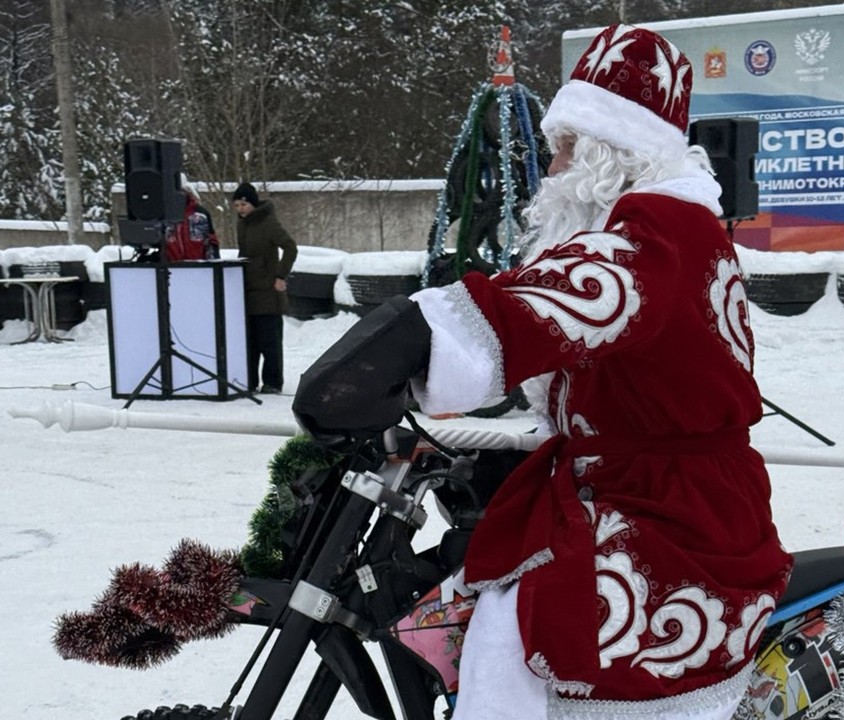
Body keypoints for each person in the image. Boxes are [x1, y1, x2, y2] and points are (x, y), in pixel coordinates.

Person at [293, 24, 792, 720]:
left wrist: (405, 343)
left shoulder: (656, 235)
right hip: (653, 487)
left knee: (518, 627)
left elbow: (555, 300)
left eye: (565, 148)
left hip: (672, 514)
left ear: (610, 153)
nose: (552, 169)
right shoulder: (672, 229)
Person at [233, 182, 297, 395]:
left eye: (243, 204)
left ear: (252, 203)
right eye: (237, 205)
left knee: (269, 341)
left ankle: (272, 382)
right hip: (248, 290)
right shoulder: (242, 225)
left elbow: (290, 247)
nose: (240, 209)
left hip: (268, 291)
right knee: (250, 341)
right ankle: (249, 381)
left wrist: (280, 275)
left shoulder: (268, 223)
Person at [164, 175, 221, 262]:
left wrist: (212, 266)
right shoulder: (164, 216)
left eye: (180, 191)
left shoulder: (201, 214)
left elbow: (211, 242)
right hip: (172, 269)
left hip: (199, 269)